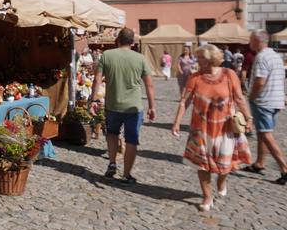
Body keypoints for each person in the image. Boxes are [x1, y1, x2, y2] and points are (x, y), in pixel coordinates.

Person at [172, 45, 253, 211]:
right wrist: (177, 122)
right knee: (201, 164)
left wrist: (248, 117)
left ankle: (222, 180)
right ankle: (207, 196)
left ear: (211, 58)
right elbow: (184, 101)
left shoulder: (229, 75)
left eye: (200, 58)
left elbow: (239, 98)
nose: (197, 61)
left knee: (225, 164)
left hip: (225, 128)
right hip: (200, 129)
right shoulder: (195, 77)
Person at [90, 28, 156, 184]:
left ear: (118, 40)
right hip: (134, 107)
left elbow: (97, 80)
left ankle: (112, 163)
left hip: (113, 105)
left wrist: (93, 100)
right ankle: (127, 174)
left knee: (112, 134)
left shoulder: (107, 55)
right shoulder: (140, 58)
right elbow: (149, 85)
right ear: (132, 43)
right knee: (131, 140)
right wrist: (152, 106)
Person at [243, 30, 287, 184]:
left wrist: (252, 97)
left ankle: (284, 168)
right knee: (262, 133)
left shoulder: (261, 57)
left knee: (266, 135)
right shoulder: (275, 56)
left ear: (257, 41)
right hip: (275, 100)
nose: (249, 43)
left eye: (250, 40)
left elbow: (260, 81)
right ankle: (259, 164)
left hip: (263, 101)